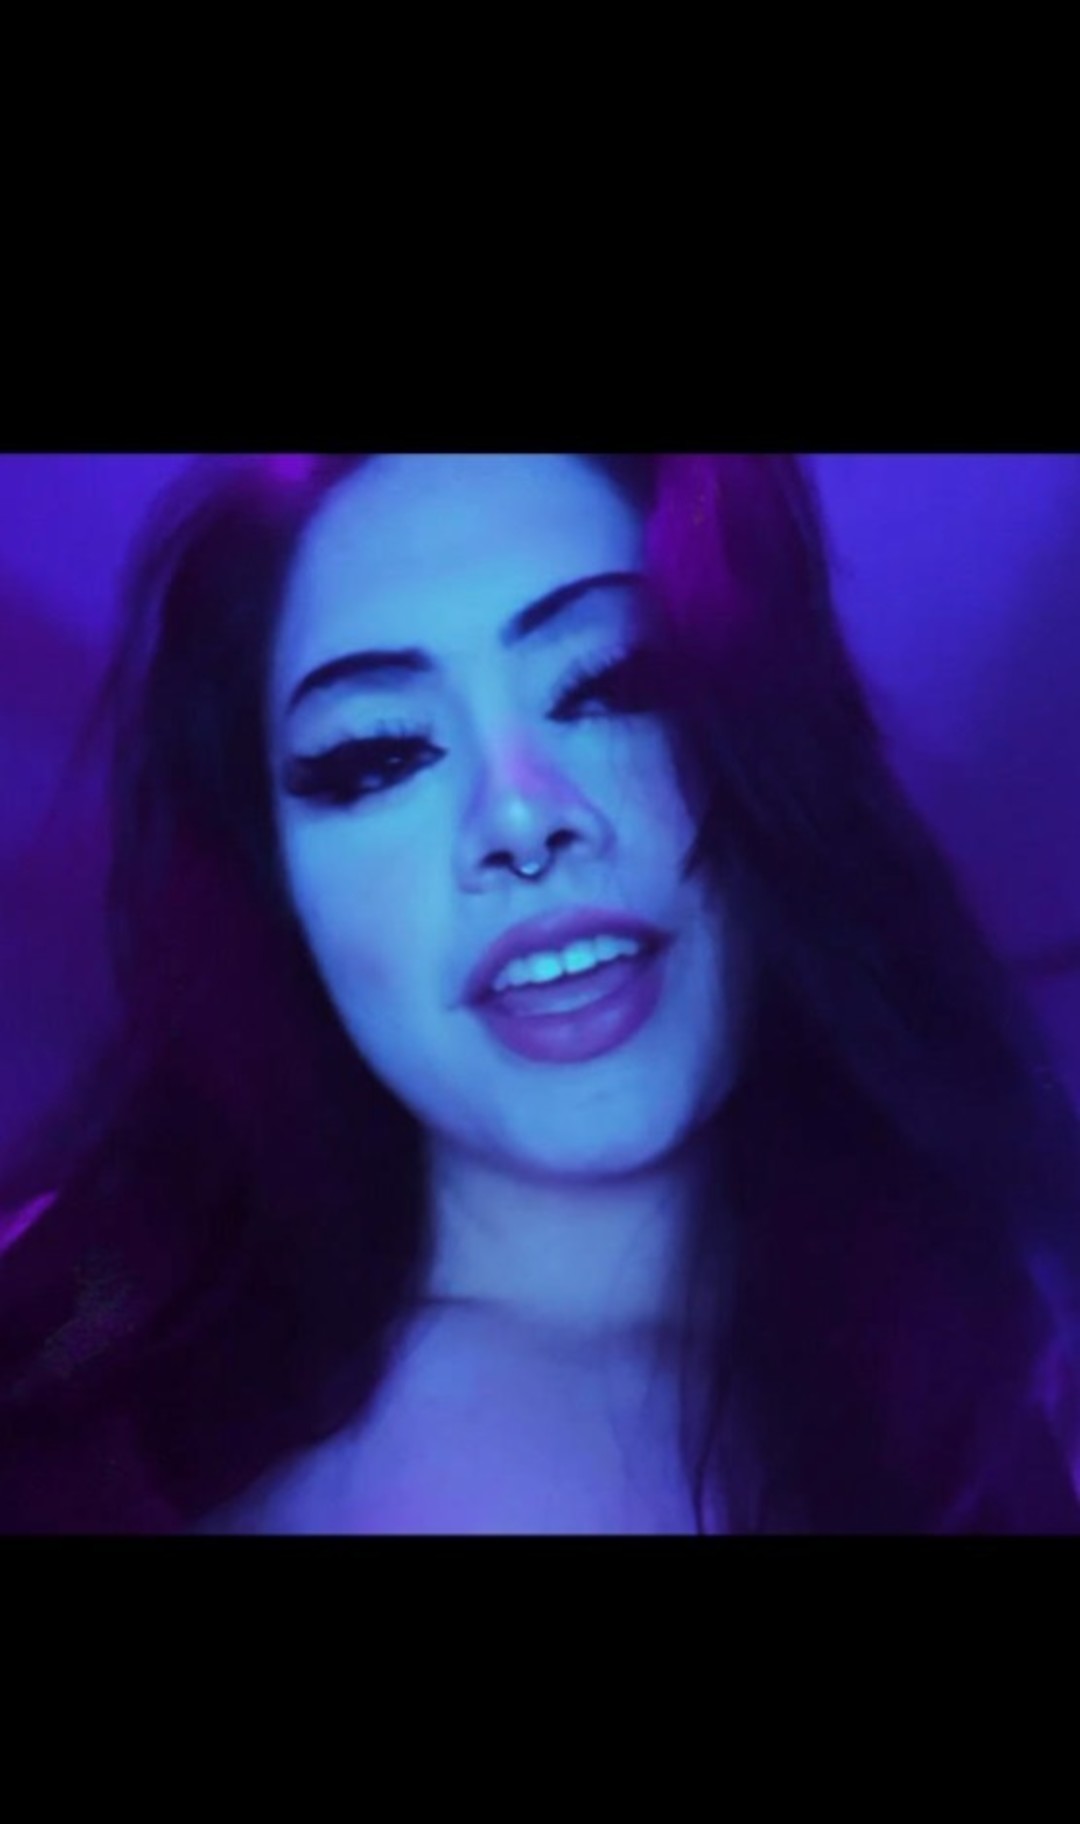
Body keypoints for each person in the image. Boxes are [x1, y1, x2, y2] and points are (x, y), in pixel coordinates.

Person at [1, 451, 1078, 1534]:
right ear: (277, 888)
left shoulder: (983, 1386)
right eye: (378, 755)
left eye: (612, 684)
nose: (521, 817)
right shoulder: (80, 1319)